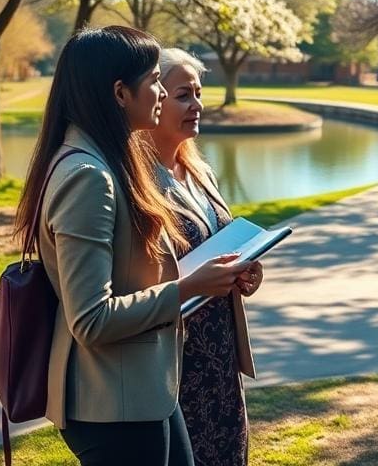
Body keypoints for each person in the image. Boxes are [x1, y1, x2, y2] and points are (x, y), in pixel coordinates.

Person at [13, 26, 251, 466]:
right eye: (154, 81)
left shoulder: (112, 160)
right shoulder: (88, 175)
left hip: (145, 390)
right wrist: (189, 286)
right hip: (111, 404)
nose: (161, 90)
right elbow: (92, 320)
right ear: (121, 93)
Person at [149, 48, 261, 466]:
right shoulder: (132, 183)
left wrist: (245, 271)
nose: (197, 104)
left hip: (220, 355)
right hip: (174, 360)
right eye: (183, 95)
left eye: (198, 93)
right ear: (152, 98)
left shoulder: (200, 171)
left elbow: (217, 244)